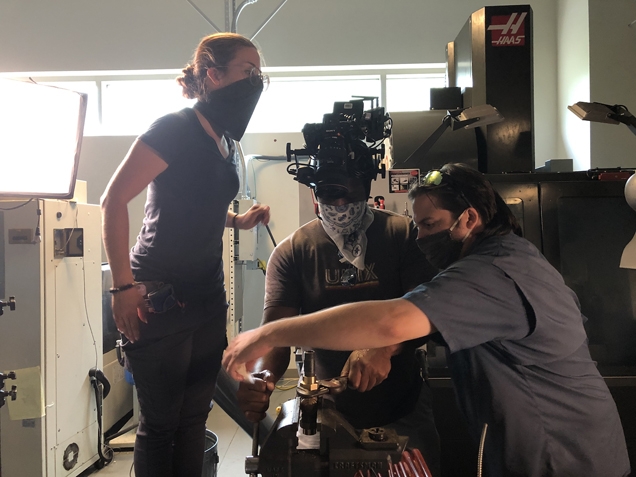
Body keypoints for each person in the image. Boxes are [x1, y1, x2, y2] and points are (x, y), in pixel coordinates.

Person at [224, 163, 631, 477]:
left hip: (562, 454)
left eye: (431, 225)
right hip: (540, 445)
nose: (421, 238)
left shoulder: (492, 274)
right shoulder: (504, 257)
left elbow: (390, 323)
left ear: (469, 219)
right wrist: (266, 364)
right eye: (418, 226)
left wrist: (266, 334)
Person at [101, 32, 270, 477]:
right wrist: (122, 287)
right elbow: (114, 201)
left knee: (195, 417)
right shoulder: (174, 128)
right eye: (248, 72)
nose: (257, 81)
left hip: (206, 296)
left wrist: (237, 221)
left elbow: (195, 204)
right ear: (213, 75)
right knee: (161, 423)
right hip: (159, 293)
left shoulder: (227, 142)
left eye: (260, 73)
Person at [235, 137, 441, 475]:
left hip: (403, 406)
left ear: (366, 187)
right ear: (315, 193)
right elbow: (275, 335)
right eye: (331, 194)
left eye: (352, 192)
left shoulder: (403, 236)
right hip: (326, 413)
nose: (342, 203)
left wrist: (384, 348)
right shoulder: (292, 253)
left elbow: (431, 311)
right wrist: (262, 376)